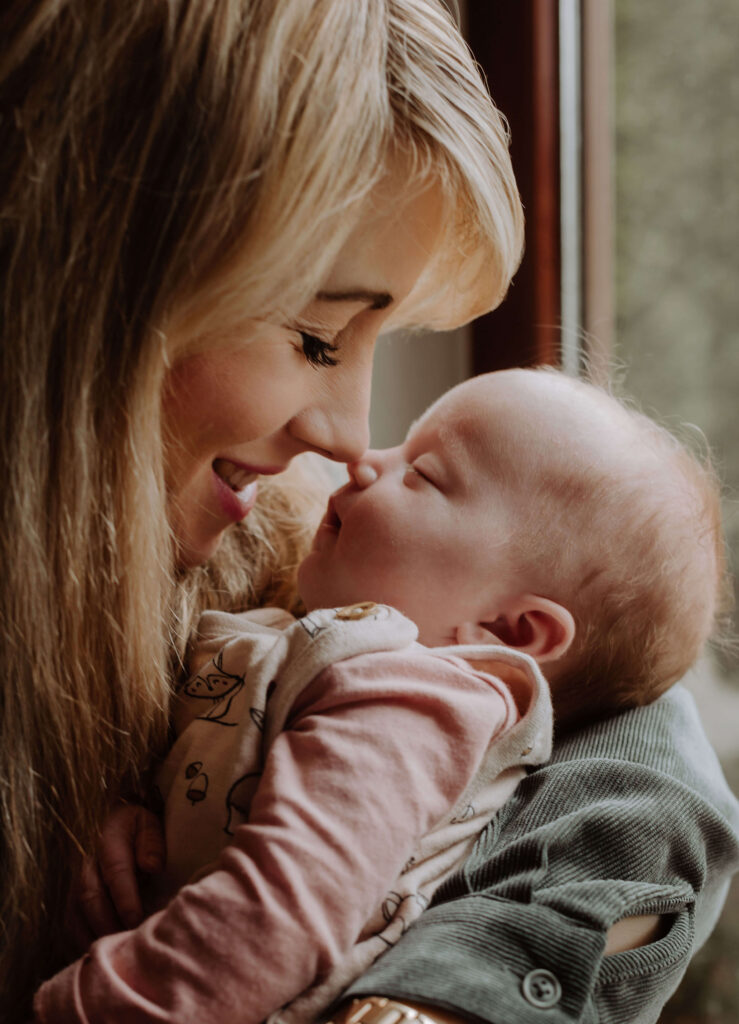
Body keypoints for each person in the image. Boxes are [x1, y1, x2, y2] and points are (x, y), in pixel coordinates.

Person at [1, 3, 736, 1024]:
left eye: (374, 334)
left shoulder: (371, 627)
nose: (351, 438)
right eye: (316, 335)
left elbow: (633, 720)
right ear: (99, 279)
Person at [36, 369, 735, 1023]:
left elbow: (281, 914)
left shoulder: (410, 701)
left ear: (509, 627)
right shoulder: (332, 653)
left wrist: (88, 1004)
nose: (363, 458)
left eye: (424, 474)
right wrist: (149, 812)